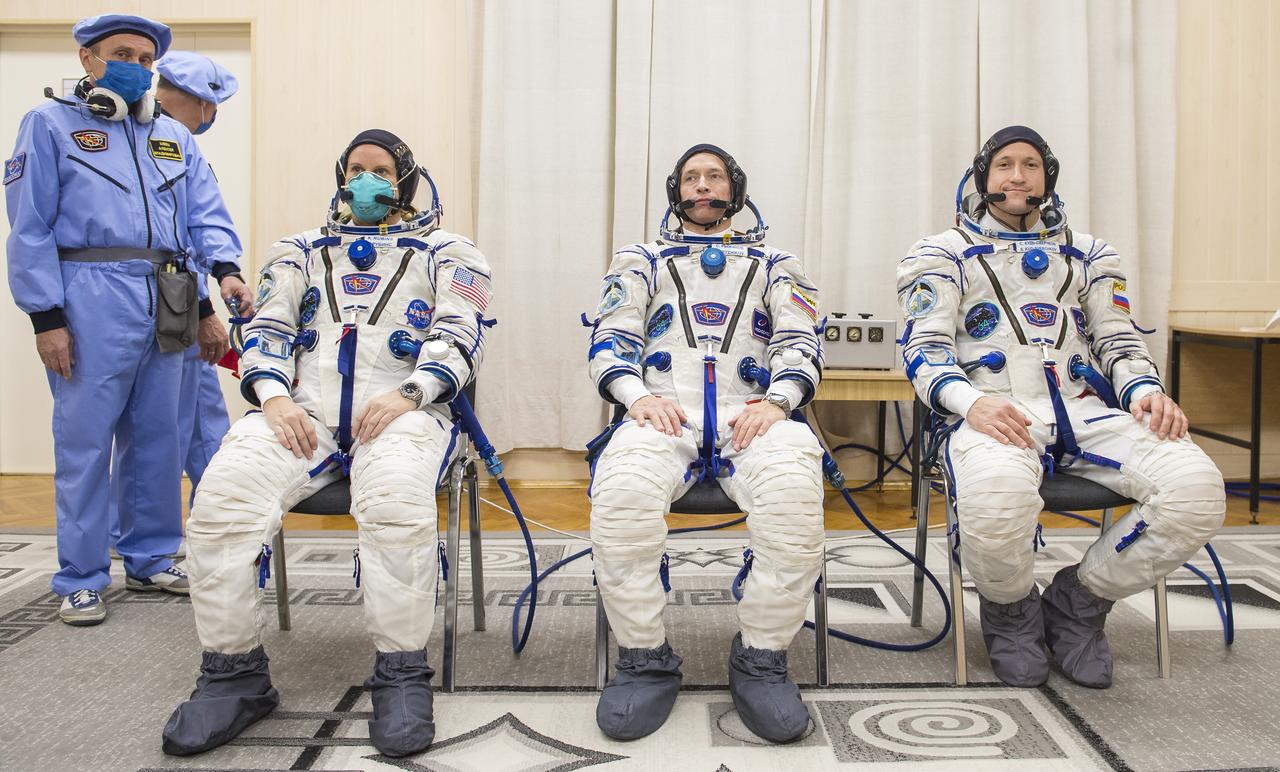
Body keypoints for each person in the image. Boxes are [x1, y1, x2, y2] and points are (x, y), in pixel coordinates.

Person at [162, 130, 492, 759]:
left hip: (404, 412)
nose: (368, 181)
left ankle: (400, 672)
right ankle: (234, 674)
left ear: (406, 182)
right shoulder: (298, 252)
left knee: (396, 509)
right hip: (300, 413)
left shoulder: (450, 252)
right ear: (341, 176)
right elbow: (266, 328)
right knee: (221, 502)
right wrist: (272, 395)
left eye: (383, 171)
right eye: (358, 169)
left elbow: (460, 327)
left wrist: (412, 394)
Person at [897, 125, 1226, 688]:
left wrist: (1146, 390)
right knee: (997, 499)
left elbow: (1118, 342)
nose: (1018, 176)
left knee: (1196, 489)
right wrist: (971, 403)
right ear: (984, 179)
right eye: (1004, 165)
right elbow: (923, 350)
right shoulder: (941, 254)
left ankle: (1079, 602)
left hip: (1083, 411)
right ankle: (1012, 613)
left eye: (1030, 165)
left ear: (1048, 177)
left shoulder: (1090, 254)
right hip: (990, 410)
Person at [3, 14, 252, 626]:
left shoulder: (171, 135)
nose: (137, 67)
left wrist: (222, 275)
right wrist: (46, 317)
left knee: (158, 436)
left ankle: (150, 557)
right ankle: (81, 576)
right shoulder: (50, 124)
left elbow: (203, 215)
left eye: (146, 59)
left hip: (167, 291)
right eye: (123, 54)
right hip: (88, 293)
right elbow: (28, 225)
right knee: (85, 440)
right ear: (89, 60)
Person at [586, 144, 825, 743]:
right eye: (690, 178)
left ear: (734, 189)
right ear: (675, 190)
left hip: (757, 416)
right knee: (620, 506)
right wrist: (636, 397)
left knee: (797, 504)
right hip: (663, 414)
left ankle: (761, 657)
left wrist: (779, 401)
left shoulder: (777, 264)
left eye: (713, 177)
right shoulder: (640, 259)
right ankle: (644, 658)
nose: (701, 187)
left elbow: (800, 344)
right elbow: (611, 341)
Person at [107, 51, 243, 558]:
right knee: (146, 429)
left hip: (178, 301)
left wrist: (220, 281)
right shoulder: (144, 141)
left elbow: (199, 230)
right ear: (195, 99)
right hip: (160, 301)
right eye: (212, 105)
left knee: (194, 422)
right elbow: (174, 240)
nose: (213, 117)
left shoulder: (173, 143)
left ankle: (216, 531)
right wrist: (209, 312)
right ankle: (143, 539)